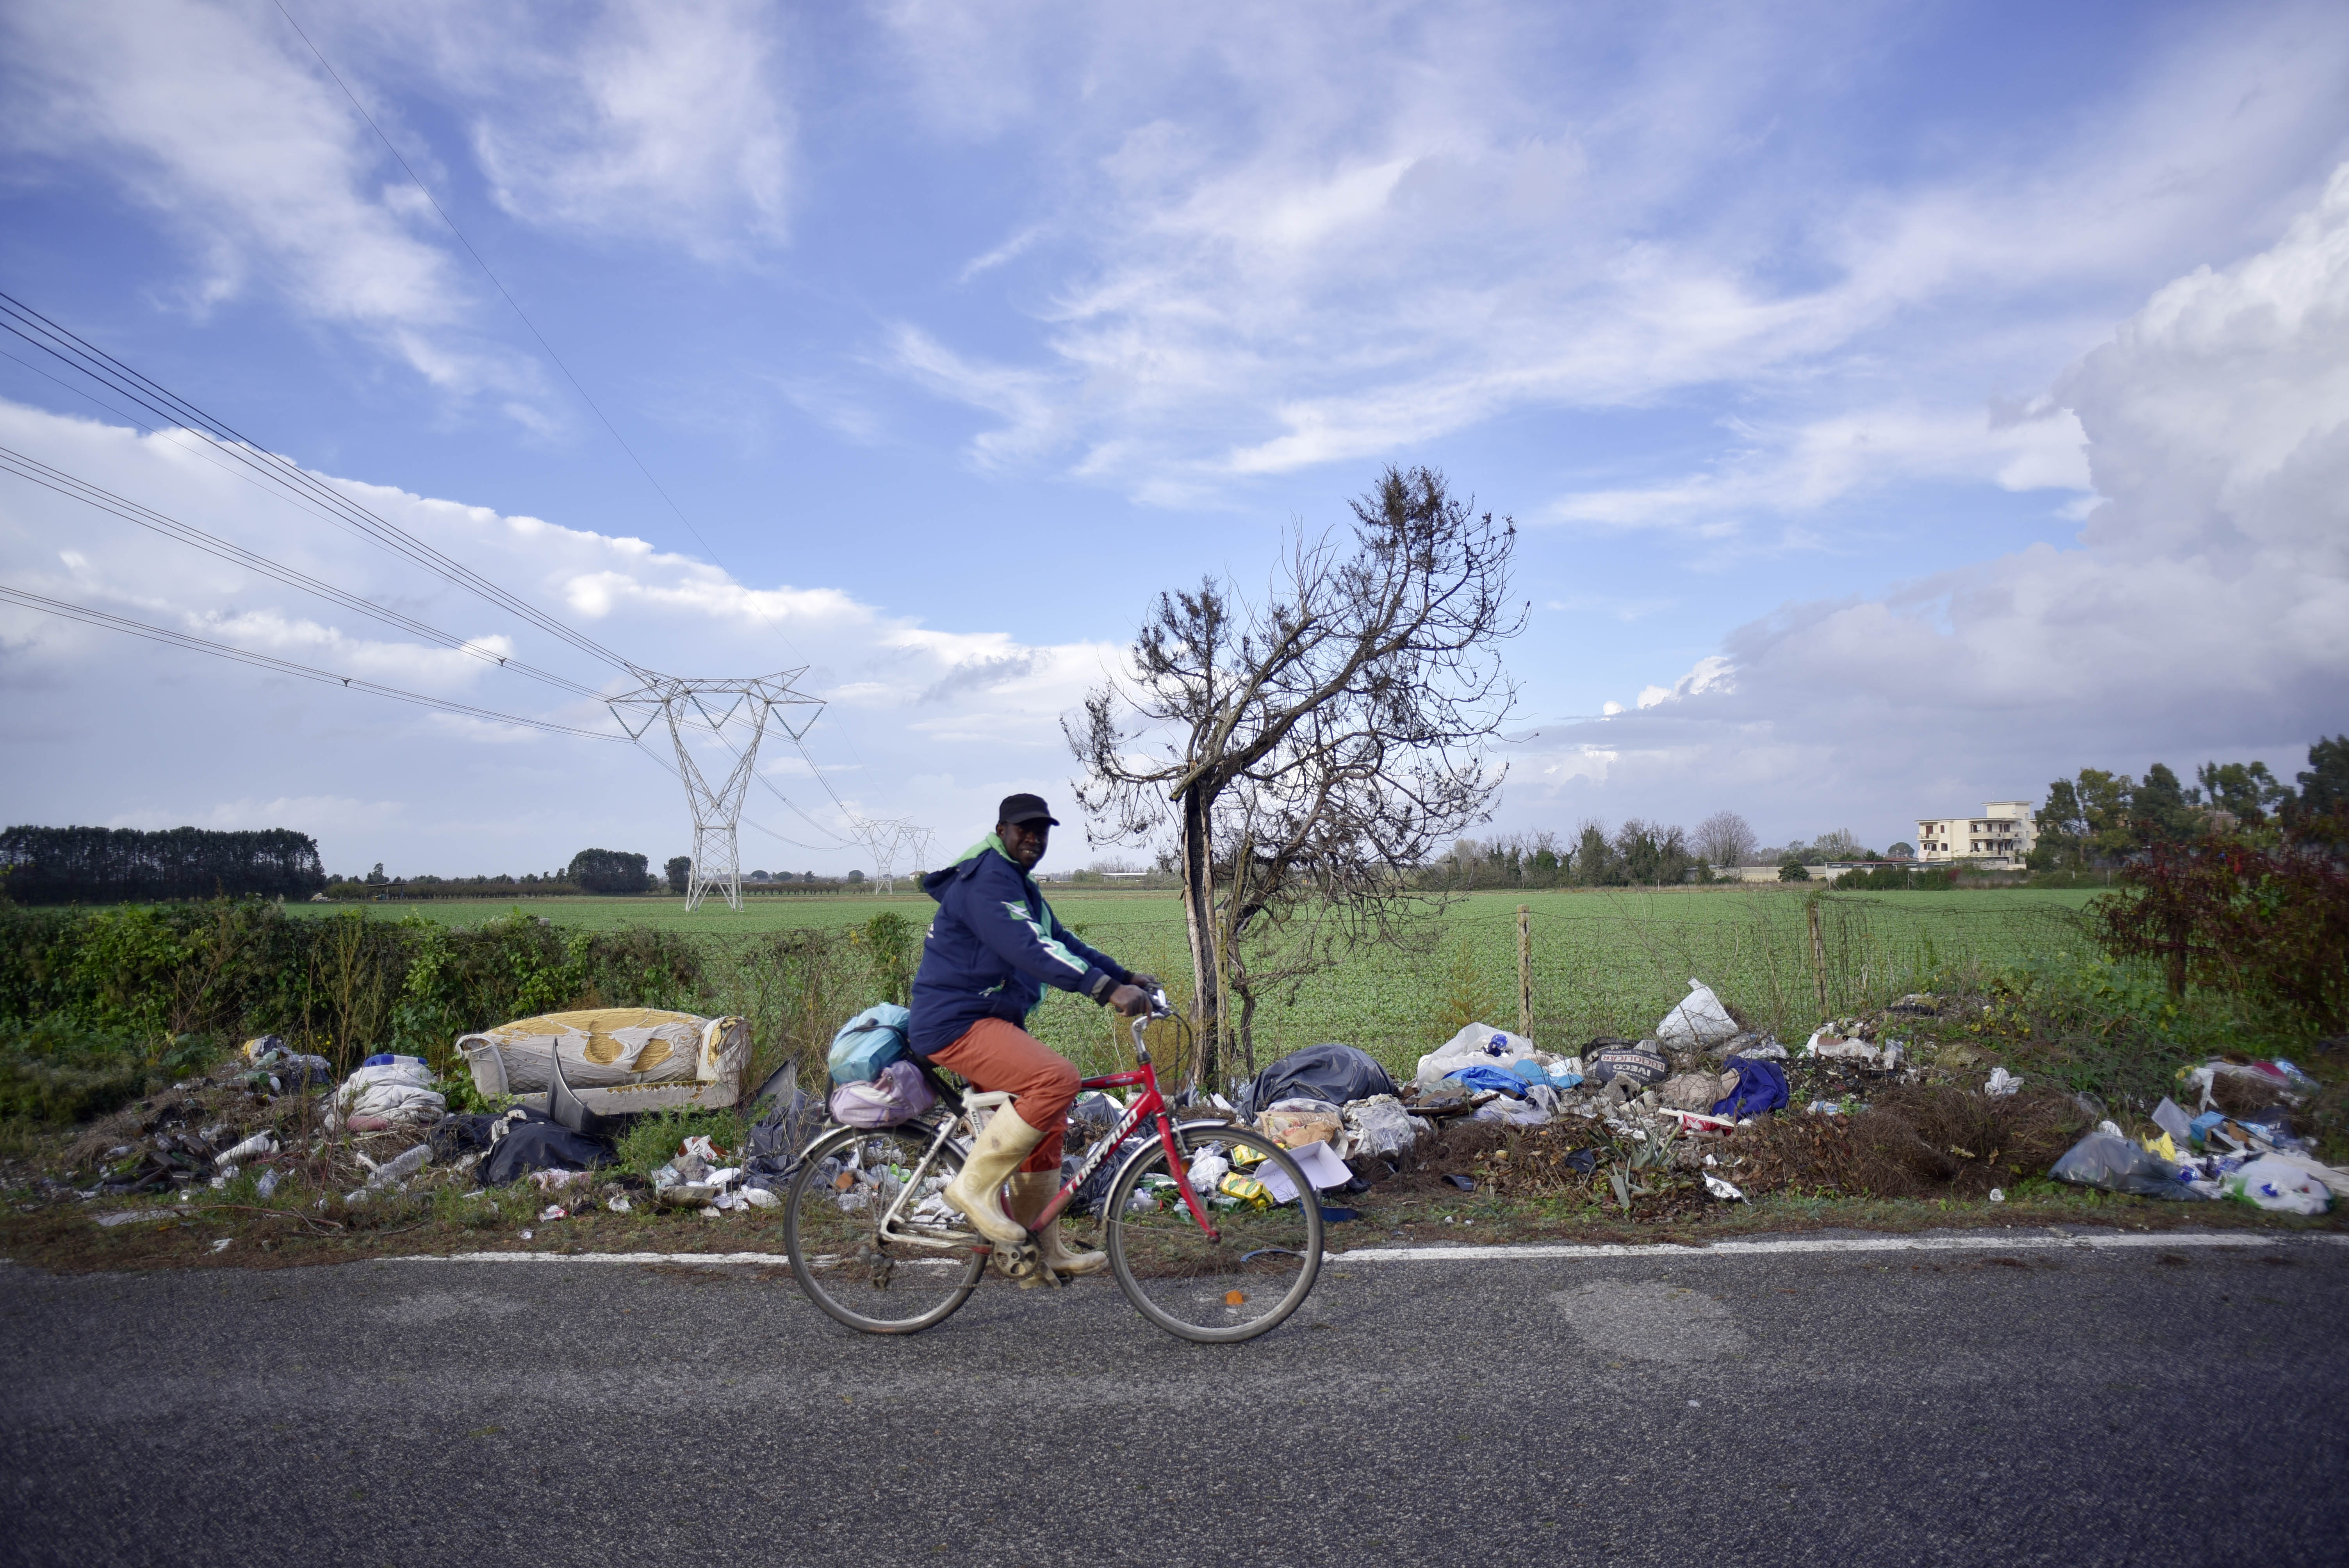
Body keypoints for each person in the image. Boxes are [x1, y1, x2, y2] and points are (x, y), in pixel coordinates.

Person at [910, 793, 1158, 1276]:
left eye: (1042, 831)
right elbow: (1027, 947)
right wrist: (1105, 988)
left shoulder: (1016, 883)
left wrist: (1127, 975)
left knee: (1048, 1122)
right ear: (1001, 830)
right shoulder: (986, 880)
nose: (1034, 838)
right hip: (953, 1022)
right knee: (1056, 1079)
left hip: (986, 1018)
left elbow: (1059, 941)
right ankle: (972, 1188)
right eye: (1024, 829)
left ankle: (1037, 1248)